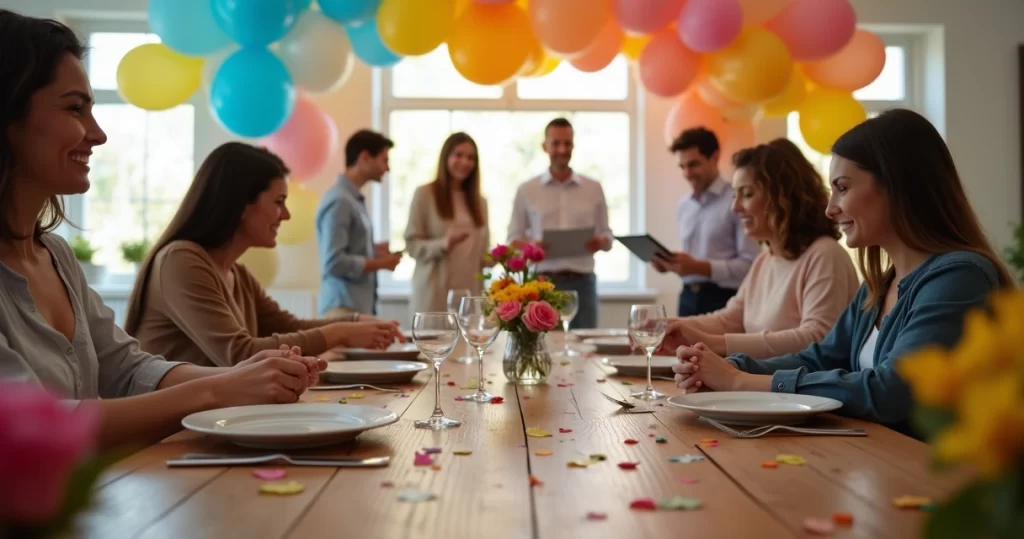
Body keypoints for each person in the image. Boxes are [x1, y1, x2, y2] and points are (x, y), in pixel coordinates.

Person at [0, 9, 324, 450]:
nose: (98, 134)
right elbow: (39, 429)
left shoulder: (55, 255)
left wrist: (242, 377)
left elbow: (130, 371)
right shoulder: (183, 259)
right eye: (76, 109)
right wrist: (223, 387)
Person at [671, 109, 1016, 430]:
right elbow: (821, 357)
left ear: (898, 187)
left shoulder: (960, 278)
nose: (830, 209)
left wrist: (740, 381)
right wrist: (734, 366)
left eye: (843, 188)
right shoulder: (878, 287)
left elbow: (892, 392)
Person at [124, 142, 403, 367]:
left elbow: (289, 326)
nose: (287, 214)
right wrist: (339, 332)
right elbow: (239, 354)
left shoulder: (236, 273)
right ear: (241, 205)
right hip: (175, 431)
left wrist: (353, 322)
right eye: (279, 202)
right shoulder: (180, 260)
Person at [659, 141, 859, 359]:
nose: (735, 207)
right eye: (735, 195)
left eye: (747, 194)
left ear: (783, 197)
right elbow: (730, 319)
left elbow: (816, 337)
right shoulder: (766, 259)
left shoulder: (825, 255)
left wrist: (713, 343)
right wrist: (669, 325)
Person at [507, 118, 613, 329]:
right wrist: (531, 248)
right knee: (544, 350)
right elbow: (512, 240)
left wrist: (600, 241)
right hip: (541, 284)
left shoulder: (594, 188)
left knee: (585, 350)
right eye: (556, 143)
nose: (562, 149)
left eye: (567, 143)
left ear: (573, 145)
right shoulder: (527, 189)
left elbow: (608, 236)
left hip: (583, 283)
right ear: (545, 146)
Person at [655, 127, 761, 317]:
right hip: (687, 297)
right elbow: (690, 262)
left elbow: (750, 266)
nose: (687, 173)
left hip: (726, 300)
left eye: (693, 164)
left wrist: (697, 267)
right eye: (682, 166)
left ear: (715, 157)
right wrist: (669, 264)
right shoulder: (684, 206)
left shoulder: (738, 201)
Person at [316, 130, 403, 317]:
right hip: (343, 309)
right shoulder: (340, 201)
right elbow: (333, 262)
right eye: (384, 160)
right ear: (364, 157)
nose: (387, 168)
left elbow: (345, 251)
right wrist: (380, 264)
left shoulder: (351, 199)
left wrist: (372, 251)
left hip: (354, 307)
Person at [404, 132, 490, 317]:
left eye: (470, 157)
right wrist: (444, 243)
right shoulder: (425, 194)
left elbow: (484, 255)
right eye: (458, 155)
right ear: (446, 157)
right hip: (435, 295)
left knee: (469, 345)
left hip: (469, 297)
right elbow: (412, 245)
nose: (465, 162)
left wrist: (506, 256)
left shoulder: (480, 202)